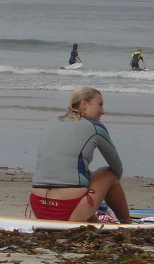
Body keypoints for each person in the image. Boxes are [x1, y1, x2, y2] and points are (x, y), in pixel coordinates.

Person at [29, 87, 130, 223]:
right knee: (107, 173)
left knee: (81, 176)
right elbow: (117, 169)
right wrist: (96, 186)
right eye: (100, 104)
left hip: (39, 206)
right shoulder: (96, 128)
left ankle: (93, 221)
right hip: (69, 207)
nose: (103, 111)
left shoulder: (51, 123)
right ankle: (126, 222)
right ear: (84, 104)